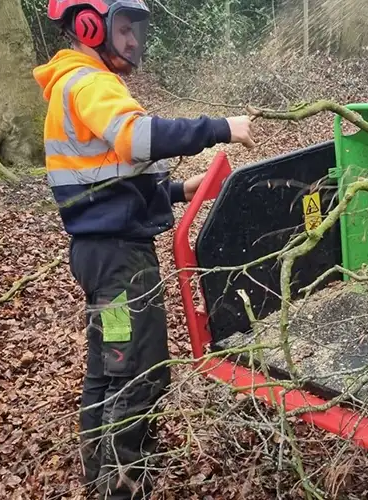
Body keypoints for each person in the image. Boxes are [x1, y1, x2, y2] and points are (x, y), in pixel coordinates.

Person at [32, 0, 254, 497]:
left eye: (136, 30)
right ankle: (122, 489)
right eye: (124, 28)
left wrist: (179, 190)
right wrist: (220, 126)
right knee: (139, 375)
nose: (133, 40)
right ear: (89, 26)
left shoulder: (76, 83)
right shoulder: (89, 82)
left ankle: (102, 479)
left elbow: (109, 180)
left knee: (111, 368)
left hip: (103, 255)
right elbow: (136, 139)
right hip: (120, 264)